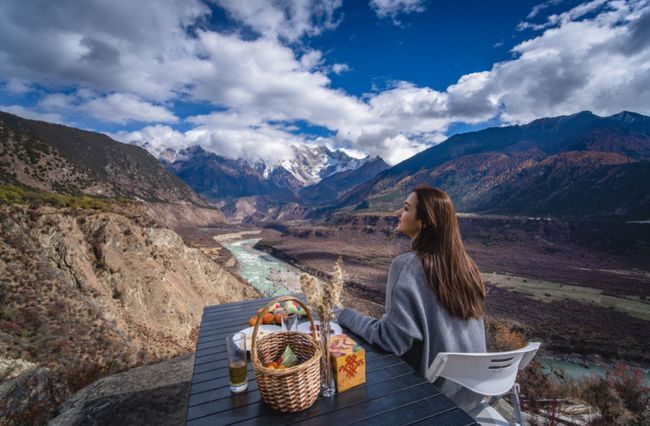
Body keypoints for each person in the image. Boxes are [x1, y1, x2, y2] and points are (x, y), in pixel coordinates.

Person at [338, 184, 487, 412]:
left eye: (406, 208)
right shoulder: (468, 268)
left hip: (435, 399)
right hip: (473, 396)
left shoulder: (406, 266)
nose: (399, 213)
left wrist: (345, 315)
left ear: (424, 221)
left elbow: (391, 340)